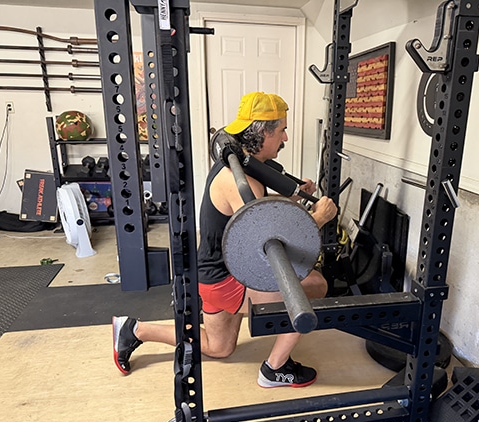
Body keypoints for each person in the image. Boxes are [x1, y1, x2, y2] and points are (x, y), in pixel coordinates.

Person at [112, 92, 337, 388]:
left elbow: (255, 208)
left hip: (212, 272)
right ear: (263, 132)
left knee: (220, 348)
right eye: (282, 130)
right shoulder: (239, 179)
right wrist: (318, 218)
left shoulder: (239, 165)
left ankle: (134, 329)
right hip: (227, 280)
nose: (285, 137)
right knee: (316, 284)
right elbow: (270, 244)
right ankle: (275, 369)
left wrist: (292, 198)